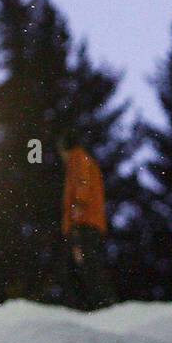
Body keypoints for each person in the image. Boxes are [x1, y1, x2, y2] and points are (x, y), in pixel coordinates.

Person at [57, 132, 115, 310]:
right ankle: (92, 306)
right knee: (82, 266)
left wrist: (79, 204)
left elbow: (83, 182)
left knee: (86, 267)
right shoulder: (82, 160)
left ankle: (102, 306)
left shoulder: (78, 159)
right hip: (87, 223)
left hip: (84, 223)